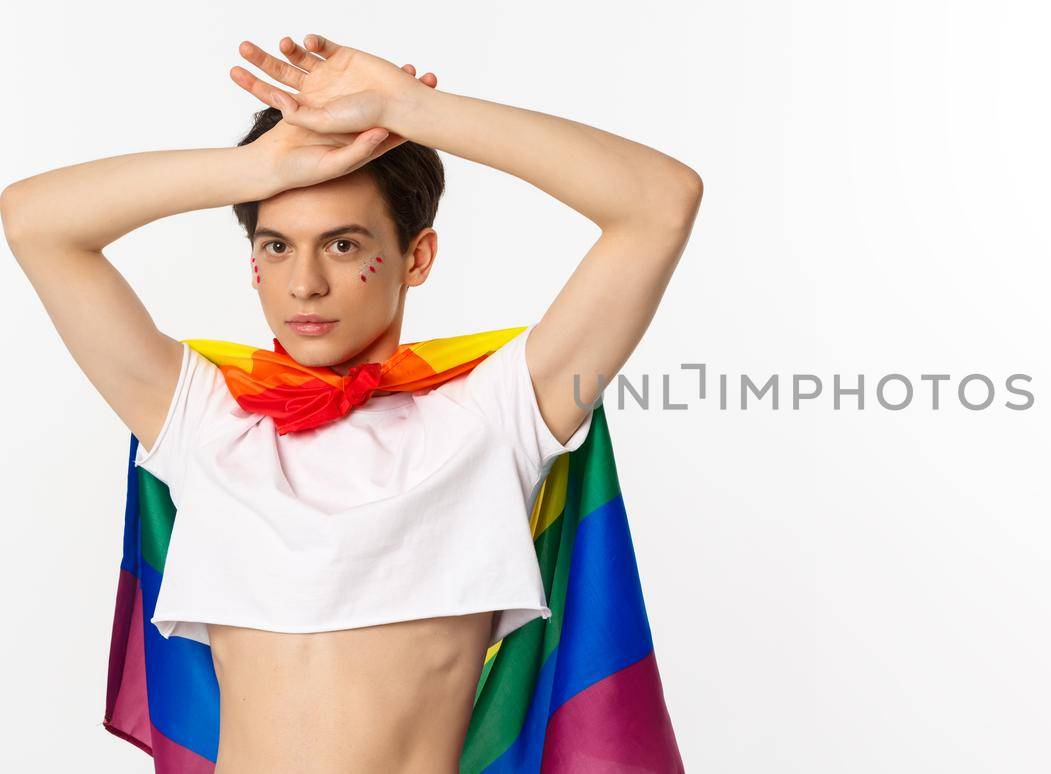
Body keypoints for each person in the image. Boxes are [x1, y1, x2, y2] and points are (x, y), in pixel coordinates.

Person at [0, 34, 701, 772]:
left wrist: (414, 108)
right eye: (276, 247)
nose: (303, 284)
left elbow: (659, 202)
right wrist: (263, 166)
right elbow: (35, 222)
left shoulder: (494, 419)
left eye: (340, 246)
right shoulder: (204, 423)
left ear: (417, 257)